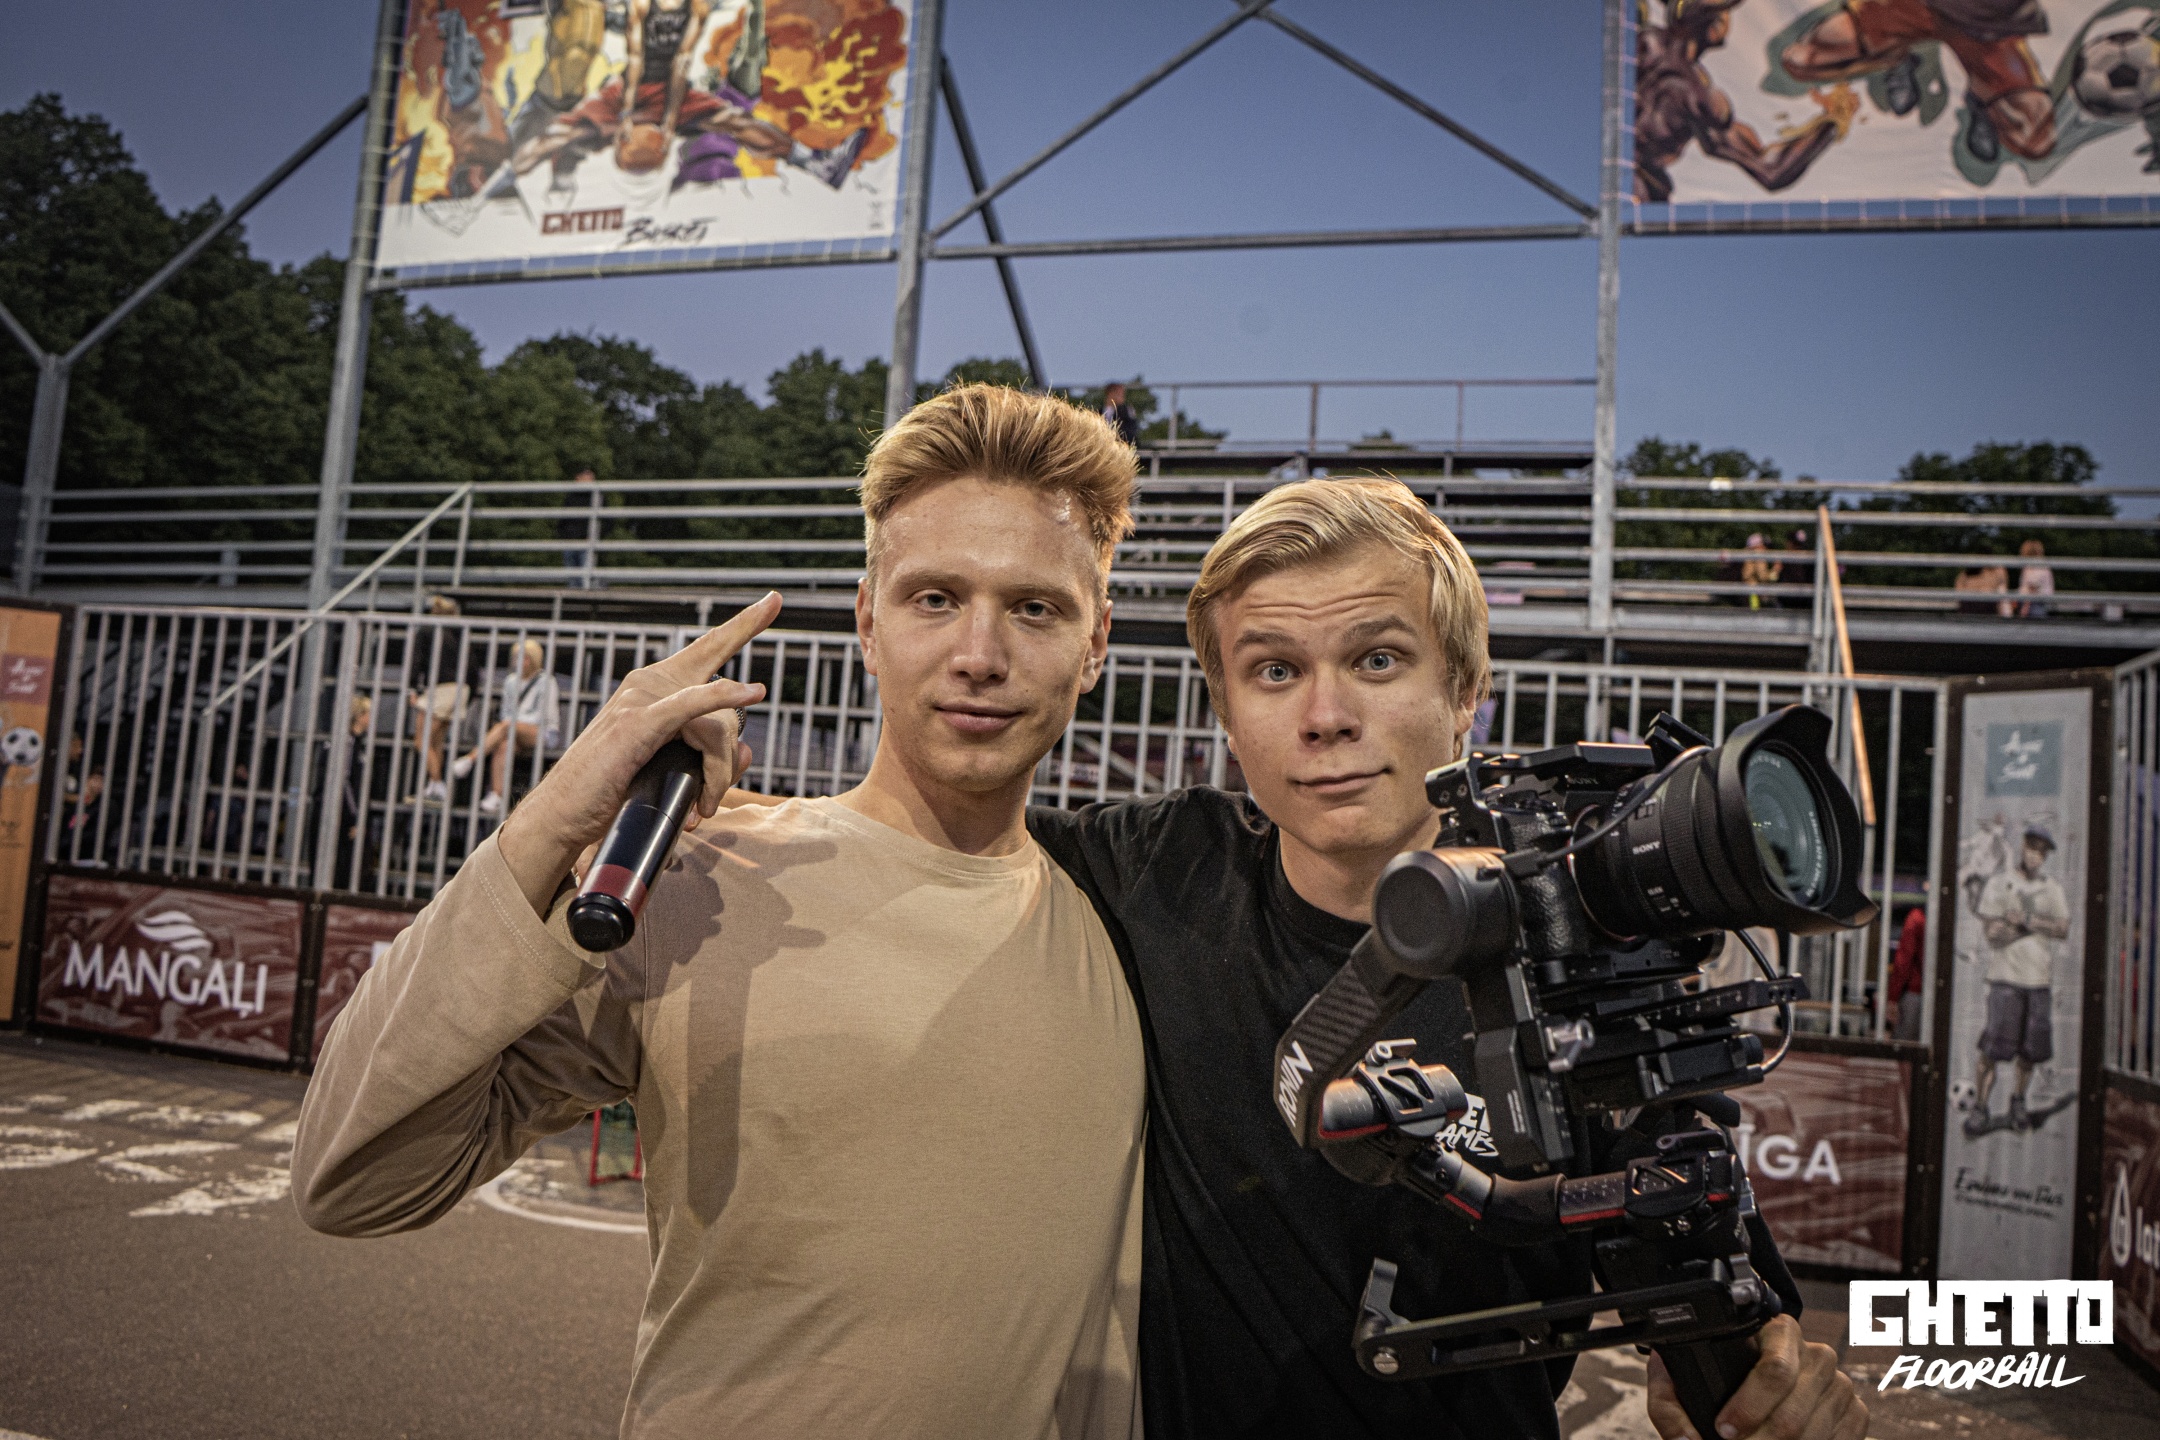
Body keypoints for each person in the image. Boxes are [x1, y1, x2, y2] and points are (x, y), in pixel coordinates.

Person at [294, 385, 1149, 1439]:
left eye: (1035, 608)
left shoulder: (1136, 936)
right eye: (934, 598)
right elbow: (353, 1180)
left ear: (1097, 641)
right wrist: (549, 820)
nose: (980, 653)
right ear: (867, 622)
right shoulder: (700, 883)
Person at [1020, 480, 1864, 1440]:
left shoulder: (1587, 952)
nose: (1326, 715)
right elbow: (927, 830)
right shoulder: (1154, 868)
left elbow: (1731, 1306)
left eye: (1377, 659)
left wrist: (1765, 1389)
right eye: (1275, 670)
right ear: (1226, 713)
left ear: (1466, 691)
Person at [510, 0, 868, 200]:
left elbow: (681, 61)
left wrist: (669, 120)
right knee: (563, 133)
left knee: (734, 121)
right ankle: (505, 173)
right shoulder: (641, 7)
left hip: (669, 89)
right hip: (631, 88)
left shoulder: (696, 8)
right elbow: (635, 58)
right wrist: (627, 112)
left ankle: (816, 163)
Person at [1778, 0, 2056, 166]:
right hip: (1908, 7)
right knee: (1802, 60)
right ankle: (1894, 59)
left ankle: (1982, 99)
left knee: (2034, 136)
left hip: (1986, 25)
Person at [1634, 0, 1857, 202]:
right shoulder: (1702, 102)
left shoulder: (1642, 41)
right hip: (1636, 188)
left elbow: (1769, 170)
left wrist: (1832, 123)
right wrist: (1834, 123)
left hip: (1635, 185)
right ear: (1715, 27)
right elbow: (1771, 171)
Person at [1967, 823, 2069, 1135]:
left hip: (2038, 981)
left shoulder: (2051, 889)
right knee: (1993, 1049)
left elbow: (2062, 928)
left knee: (2030, 1053)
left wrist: (2025, 920)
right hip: (2006, 980)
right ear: (2023, 846)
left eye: (2042, 852)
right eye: (2033, 848)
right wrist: (2036, 926)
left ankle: (2018, 1101)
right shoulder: (2000, 884)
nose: (2036, 856)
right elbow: (1993, 934)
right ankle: (1981, 1106)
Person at [451, 638, 564, 820]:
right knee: (503, 745)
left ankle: (470, 759)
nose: (519, 662)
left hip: (543, 732)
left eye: (524, 658)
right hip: (513, 730)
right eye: (516, 657)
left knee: (505, 726)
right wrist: (513, 723)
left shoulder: (546, 682)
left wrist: (515, 722)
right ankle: (497, 794)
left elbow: (545, 716)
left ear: (534, 660)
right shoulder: (511, 681)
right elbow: (506, 711)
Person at [406, 594, 471, 805]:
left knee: (421, 740)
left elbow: (416, 660)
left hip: (441, 688)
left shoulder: (427, 629)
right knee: (437, 742)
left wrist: (412, 687)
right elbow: (472, 666)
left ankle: (437, 782)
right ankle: (434, 786)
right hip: (461, 689)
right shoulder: (460, 632)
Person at [1886, 904, 1927, 1041]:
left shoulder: (1917, 918)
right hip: (1942, 997)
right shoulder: (1952, 919)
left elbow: (1903, 960)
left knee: (1903, 1046)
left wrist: (1893, 998)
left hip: (1914, 993)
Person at [559, 468, 599, 588]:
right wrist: (564, 536)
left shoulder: (596, 497)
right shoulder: (570, 498)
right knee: (572, 579)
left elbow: (607, 522)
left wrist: (593, 536)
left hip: (586, 541)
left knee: (585, 578)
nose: (590, 480)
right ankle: (574, 597)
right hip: (570, 541)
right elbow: (562, 520)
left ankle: (584, 595)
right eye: (587, 477)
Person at [1738, 531, 1781, 610]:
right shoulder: (1758, 554)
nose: (1767, 549)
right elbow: (1763, 577)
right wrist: (1776, 570)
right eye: (1765, 545)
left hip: (1745, 590)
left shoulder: (1745, 555)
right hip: (1753, 593)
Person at [2014, 537, 2053, 619]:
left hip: (2034, 603)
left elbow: (2032, 588)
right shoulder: (2033, 566)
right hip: (2032, 601)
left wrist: (2025, 608)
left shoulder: (2037, 567)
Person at [1102, 382, 1142, 447]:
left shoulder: (1127, 410)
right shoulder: (1098, 411)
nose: (1122, 397)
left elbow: (1131, 430)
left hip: (1122, 446)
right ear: (1110, 394)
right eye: (1119, 394)